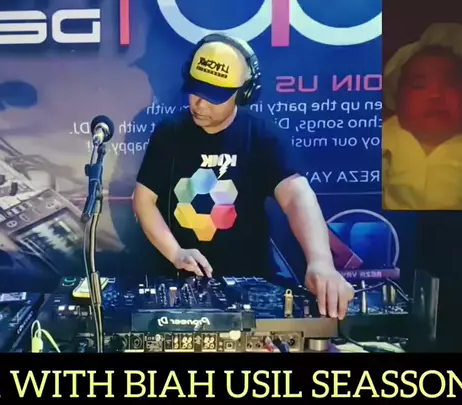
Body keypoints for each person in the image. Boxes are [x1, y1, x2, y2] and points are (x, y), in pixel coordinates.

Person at [132, 33, 354, 319]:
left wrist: (321, 262)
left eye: (214, 97)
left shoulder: (262, 137)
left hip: (252, 282)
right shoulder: (169, 133)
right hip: (179, 282)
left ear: (244, 93)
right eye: (196, 90)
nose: (200, 104)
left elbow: (297, 196)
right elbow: (143, 200)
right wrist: (175, 252)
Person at [383, 24, 462, 210]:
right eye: (419, 86)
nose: (436, 95)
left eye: (451, 84)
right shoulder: (385, 135)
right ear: (398, 102)